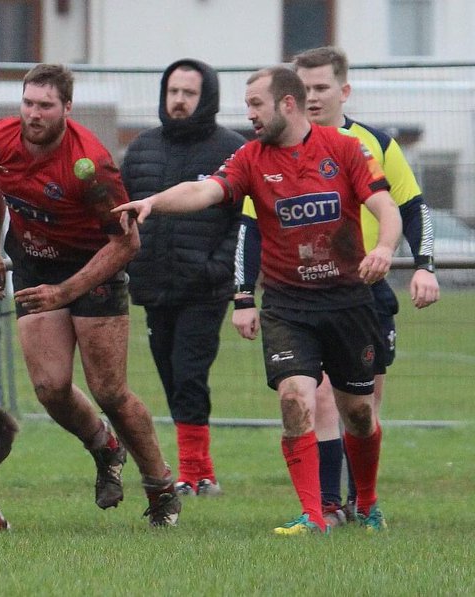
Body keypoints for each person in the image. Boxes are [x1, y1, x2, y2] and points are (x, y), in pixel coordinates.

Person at [115, 66, 400, 535]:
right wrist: (153, 202)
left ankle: (366, 501)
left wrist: (385, 248)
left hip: (348, 301)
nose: (248, 115)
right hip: (288, 304)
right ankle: (313, 516)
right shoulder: (250, 157)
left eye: (255, 105)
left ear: (287, 103)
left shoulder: (346, 149)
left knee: (359, 414)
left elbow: (385, 208)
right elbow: (203, 190)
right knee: (294, 399)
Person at [0, 63, 181, 526]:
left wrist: (66, 291)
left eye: (45, 106)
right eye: (28, 103)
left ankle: (161, 487)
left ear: (66, 108)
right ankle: (105, 448)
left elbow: (127, 242)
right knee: (49, 388)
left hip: (93, 268)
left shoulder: (91, 165)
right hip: (32, 262)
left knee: (109, 390)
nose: (34, 114)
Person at [253, 46, 435, 527]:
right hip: (302, 295)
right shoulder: (272, 152)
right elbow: (250, 227)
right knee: (313, 397)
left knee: (361, 406)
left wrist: (424, 265)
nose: (312, 97)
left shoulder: (373, 143)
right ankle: (325, 507)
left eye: (321, 88)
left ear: (343, 90)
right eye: (304, 88)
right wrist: (240, 295)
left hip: (365, 293)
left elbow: (413, 207)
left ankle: (362, 503)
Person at [120, 59, 246, 498]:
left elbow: (244, 220)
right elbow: (121, 213)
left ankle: (194, 473)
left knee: (190, 373)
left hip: (204, 288)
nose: (179, 100)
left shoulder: (231, 148)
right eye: (173, 91)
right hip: (154, 284)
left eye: (188, 93)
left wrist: (218, 268)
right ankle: (199, 470)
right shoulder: (141, 149)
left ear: (205, 97)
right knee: (170, 374)